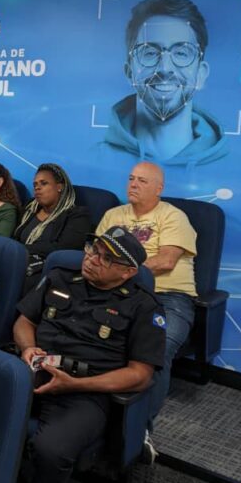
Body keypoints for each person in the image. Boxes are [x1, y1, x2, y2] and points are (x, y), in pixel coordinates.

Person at [13, 226, 165, 483]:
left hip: (85, 391)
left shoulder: (144, 306)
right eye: (94, 250)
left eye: (106, 259)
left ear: (128, 272)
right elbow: (24, 321)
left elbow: (140, 374)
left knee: (50, 450)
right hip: (36, 370)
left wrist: (78, 384)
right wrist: (28, 347)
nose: (93, 259)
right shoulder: (59, 277)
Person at [96, 161, 197, 447]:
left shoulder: (173, 216)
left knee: (157, 349)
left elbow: (166, 261)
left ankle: (140, 431)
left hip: (168, 297)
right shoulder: (113, 215)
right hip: (120, 292)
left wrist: (119, 269)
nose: (133, 184)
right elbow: (96, 255)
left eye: (142, 180)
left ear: (159, 188)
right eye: (131, 178)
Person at [103, 0, 225, 165]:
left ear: (201, 74)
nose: (165, 68)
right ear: (130, 72)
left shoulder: (237, 169)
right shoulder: (93, 159)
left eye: (181, 53)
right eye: (150, 53)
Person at [14, 163, 91, 295]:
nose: (37, 188)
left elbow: (63, 249)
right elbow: (15, 237)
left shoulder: (77, 215)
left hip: (46, 271)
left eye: (44, 183)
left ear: (59, 187)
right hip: (19, 261)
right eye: (35, 185)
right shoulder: (30, 207)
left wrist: (22, 249)